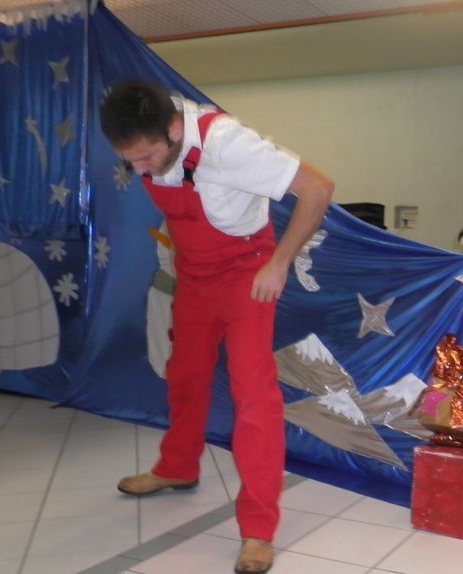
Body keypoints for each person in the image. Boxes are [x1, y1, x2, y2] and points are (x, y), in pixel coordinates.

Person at [99, 81, 334, 574]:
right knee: (184, 374)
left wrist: (280, 264)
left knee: (253, 396)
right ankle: (177, 467)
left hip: (248, 273)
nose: (139, 170)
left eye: (145, 157)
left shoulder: (229, 143)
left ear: (174, 129)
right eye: (130, 161)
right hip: (194, 274)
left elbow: (318, 188)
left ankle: (258, 528)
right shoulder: (153, 145)